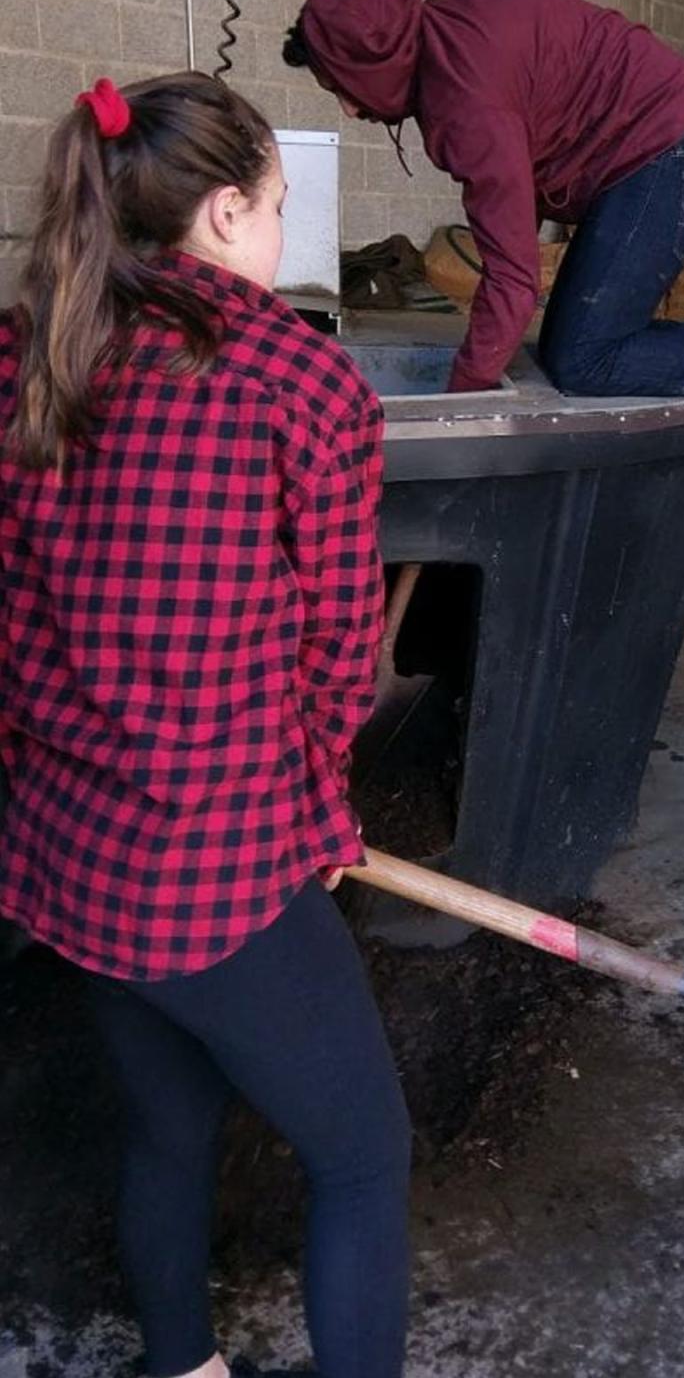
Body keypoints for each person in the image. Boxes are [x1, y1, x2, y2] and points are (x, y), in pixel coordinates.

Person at [0, 73, 411, 1376]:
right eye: (277, 208)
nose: (280, 235)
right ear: (226, 212)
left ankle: (184, 1366)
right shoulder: (299, 382)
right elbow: (341, 663)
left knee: (168, 1130)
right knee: (362, 1156)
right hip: (212, 875)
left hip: (70, 857)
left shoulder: (27, 351)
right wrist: (321, 815)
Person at [282, 0, 684, 487]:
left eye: (343, 88)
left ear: (371, 63)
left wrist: (456, 409)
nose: (349, 112)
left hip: (671, 156)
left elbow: (513, 277)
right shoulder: (451, 14)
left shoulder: (462, 104)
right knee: (569, 344)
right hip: (666, 145)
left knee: (583, 358)